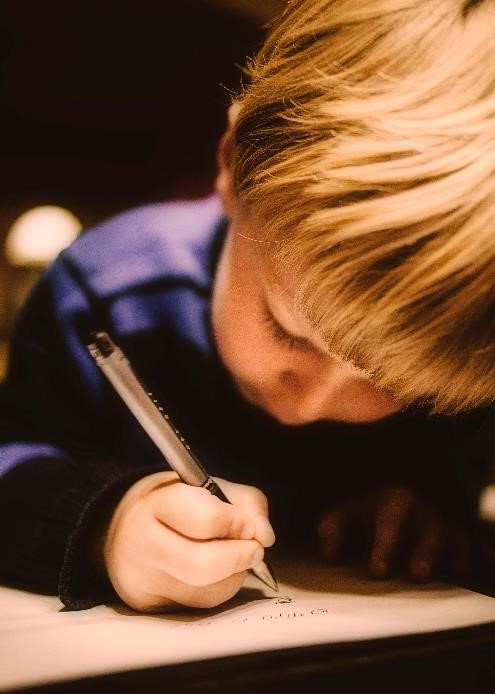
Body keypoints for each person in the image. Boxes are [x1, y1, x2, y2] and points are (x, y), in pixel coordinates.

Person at [1, 0, 494, 613]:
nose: (309, 402)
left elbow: (465, 456)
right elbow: (11, 460)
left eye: (394, 383)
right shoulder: (106, 291)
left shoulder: (475, 326)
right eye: (288, 334)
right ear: (232, 164)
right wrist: (108, 522)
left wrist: (432, 497)